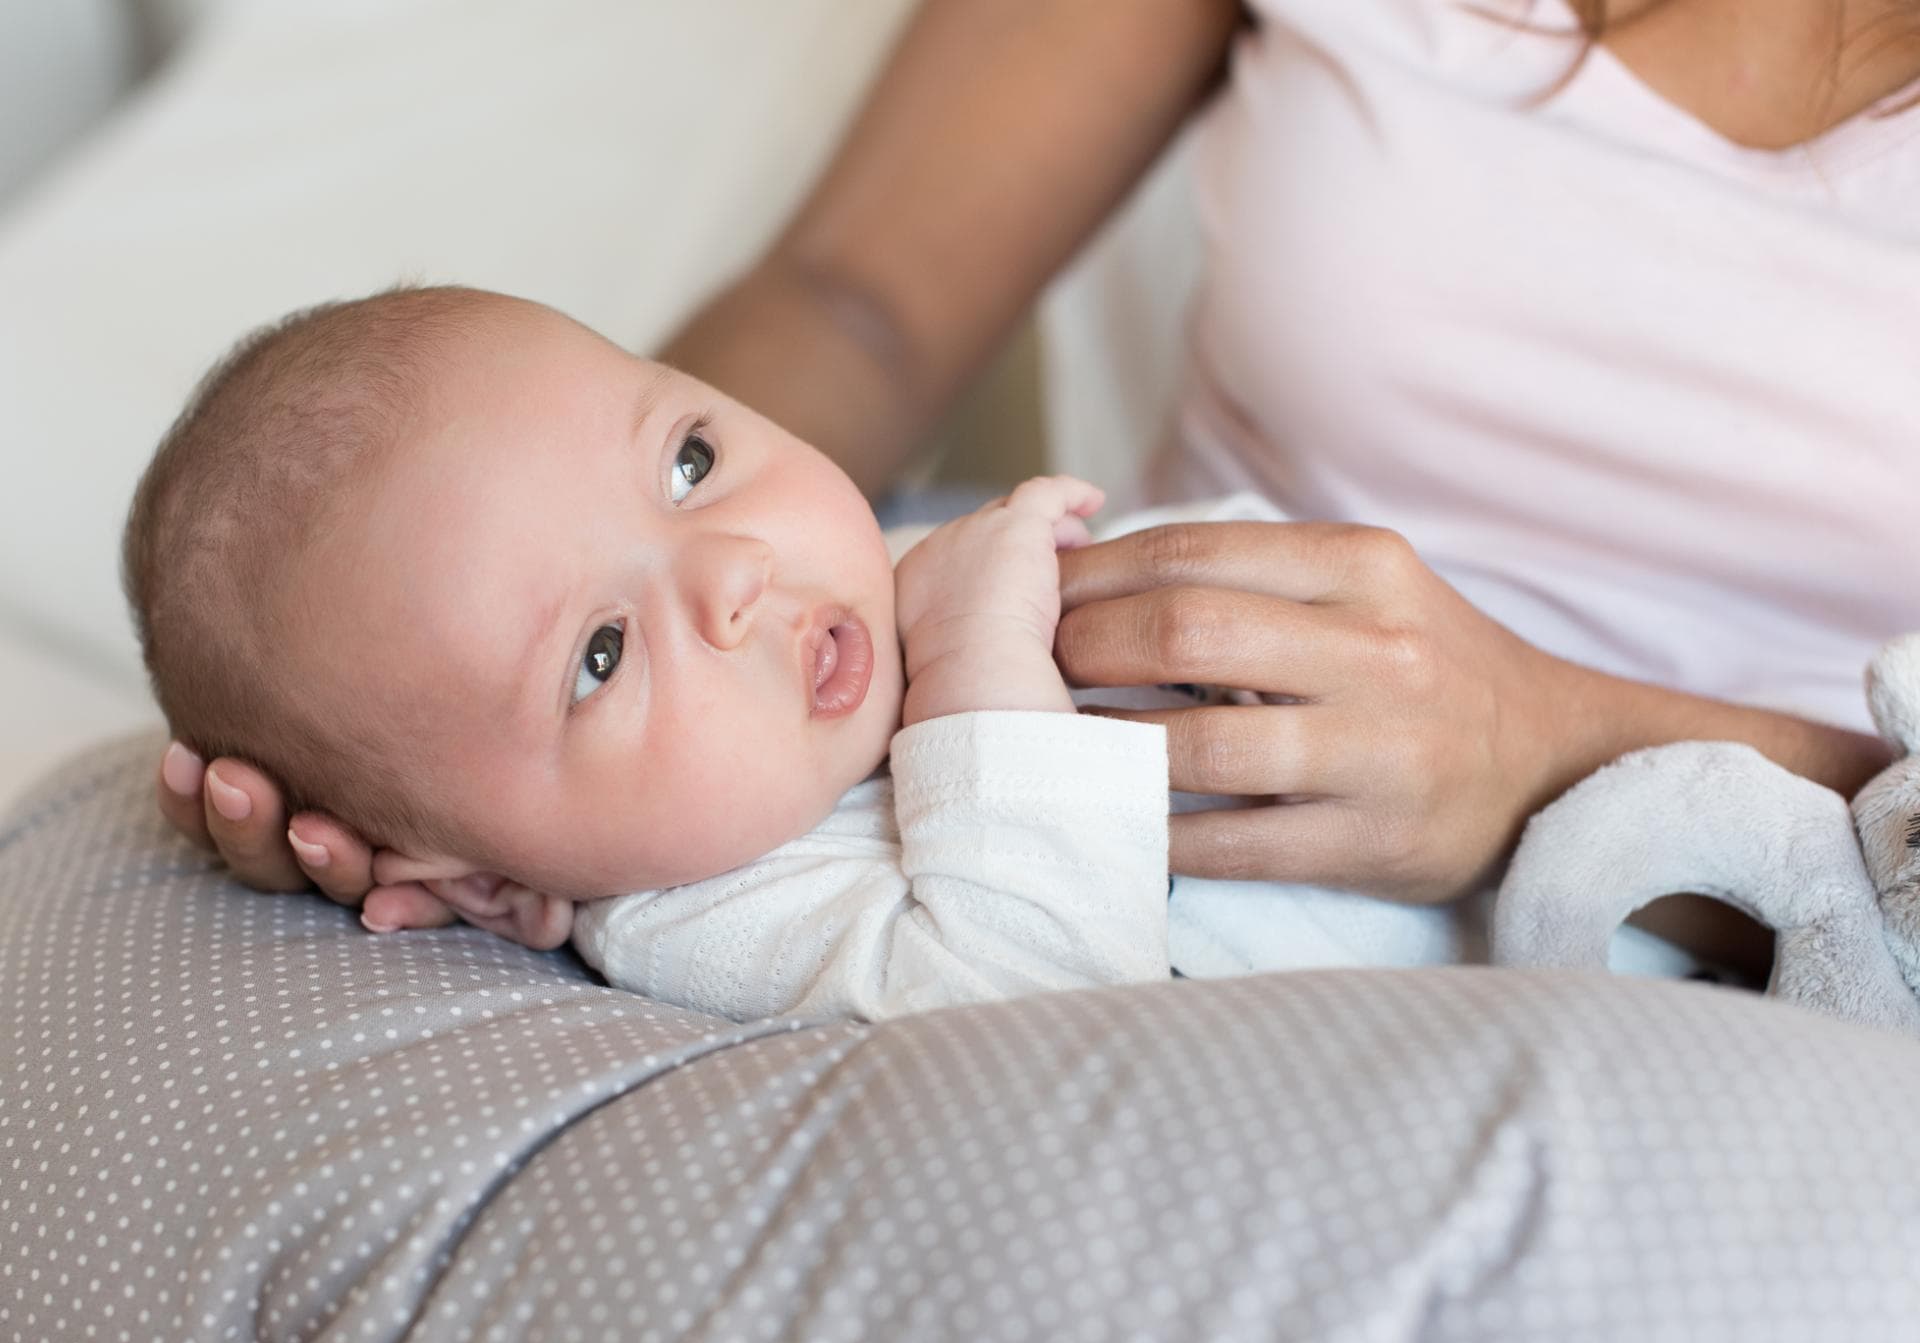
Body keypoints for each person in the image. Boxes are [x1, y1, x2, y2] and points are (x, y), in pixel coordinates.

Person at [155, 0, 1916, 963]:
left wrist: (1553, 753)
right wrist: (437, 689)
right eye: (688, 456)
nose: (732, 569)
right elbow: (857, 301)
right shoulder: (711, 811)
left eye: (696, 469)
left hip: (1753, 926)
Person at [129, 285, 1542, 1022]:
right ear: (496, 886)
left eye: (690, 461)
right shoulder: (714, 905)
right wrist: (979, 659)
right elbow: (1042, 1015)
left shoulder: (899, 577)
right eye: (602, 655)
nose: (736, 573)